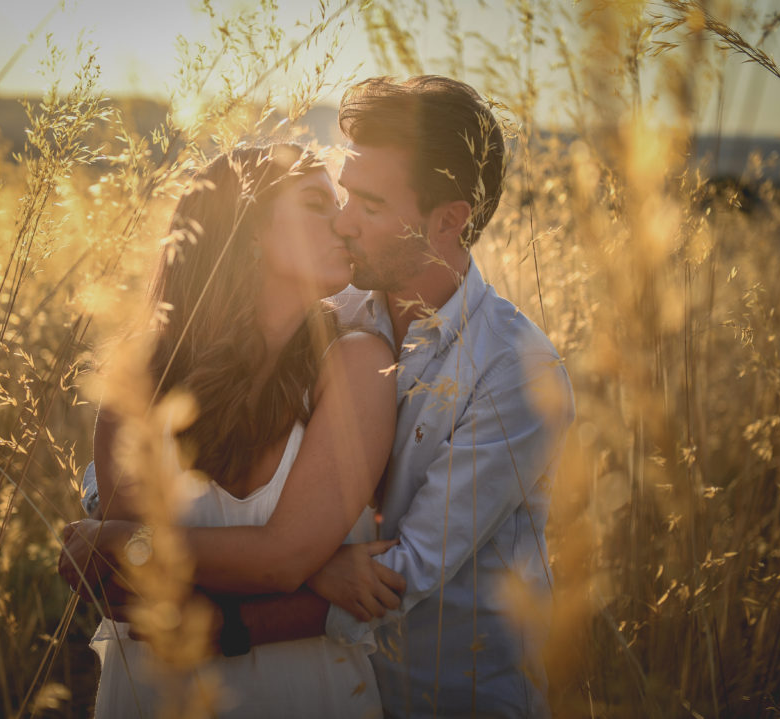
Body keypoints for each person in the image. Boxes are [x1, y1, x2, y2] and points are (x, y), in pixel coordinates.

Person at [64, 75, 576, 718]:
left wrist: (257, 594)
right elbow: (163, 444)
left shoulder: (514, 370)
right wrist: (107, 514)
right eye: (338, 194)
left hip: (444, 693)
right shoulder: (327, 309)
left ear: (448, 221)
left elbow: (399, 576)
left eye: (368, 203)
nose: (342, 218)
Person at [61, 143, 403, 718]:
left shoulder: (358, 364)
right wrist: (319, 576)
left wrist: (122, 540)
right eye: (318, 202)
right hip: (156, 696)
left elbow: (277, 559)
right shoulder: (141, 379)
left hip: (309, 695)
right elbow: (129, 594)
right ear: (248, 230)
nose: (344, 222)